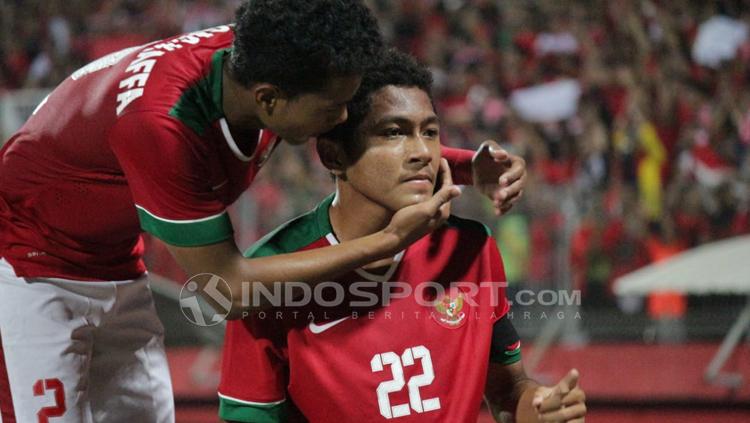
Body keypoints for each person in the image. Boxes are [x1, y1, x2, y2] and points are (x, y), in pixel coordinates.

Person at [0, 1, 527, 422]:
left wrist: (461, 166)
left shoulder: (270, 58)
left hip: (114, 263)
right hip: (26, 267)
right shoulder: (163, 127)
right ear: (270, 102)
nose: (341, 117)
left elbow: (354, 124)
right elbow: (223, 290)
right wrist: (388, 241)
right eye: (333, 108)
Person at [218, 49, 585, 423]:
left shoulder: (471, 248)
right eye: (393, 132)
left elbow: (508, 390)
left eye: (429, 132)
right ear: (332, 156)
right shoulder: (268, 275)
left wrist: (537, 409)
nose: (422, 152)